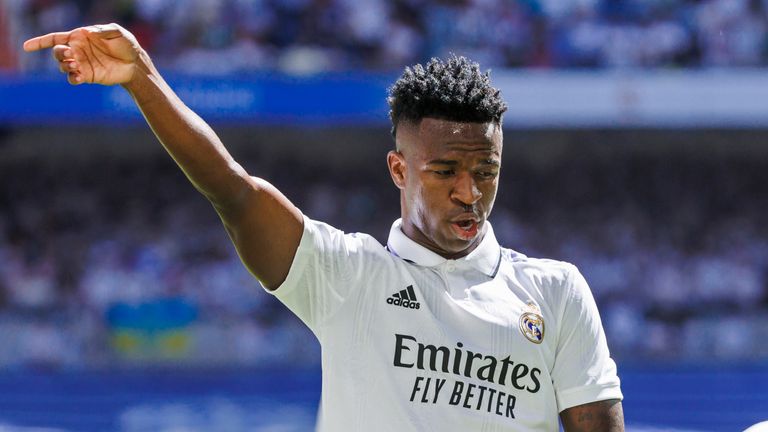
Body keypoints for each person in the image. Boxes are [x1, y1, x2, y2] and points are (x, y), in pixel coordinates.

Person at [23, 23, 624, 431]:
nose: (469, 193)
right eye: (445, 171)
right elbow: (233, 190)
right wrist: (143, 79)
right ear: (398, 168)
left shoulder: (555, 290)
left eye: (485, 171)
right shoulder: (348, 274)